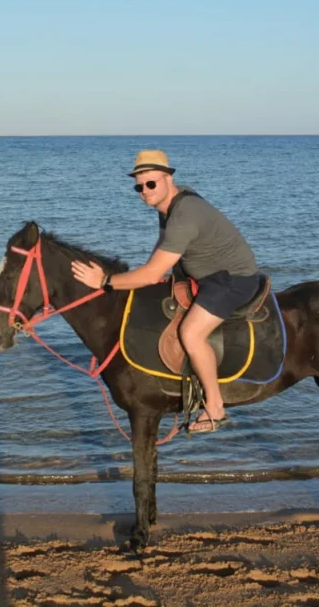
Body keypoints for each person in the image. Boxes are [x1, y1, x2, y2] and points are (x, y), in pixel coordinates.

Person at [71, 150, 260, 433]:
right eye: (139, 186)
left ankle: (215, 407)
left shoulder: (184, 214)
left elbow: (151, 274)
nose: (144, 192)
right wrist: (149, 272)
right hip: (203, 274)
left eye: (150, 184)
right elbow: (161, 248)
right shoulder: (171, 204)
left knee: (191, 333)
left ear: (168, 178)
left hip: (231, 278)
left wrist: (104, 281)